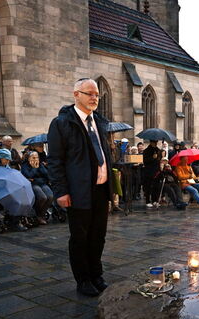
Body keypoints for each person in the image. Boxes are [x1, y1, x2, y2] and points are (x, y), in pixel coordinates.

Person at [47, 78, 114, 297]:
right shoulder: (62, 123)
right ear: (76, 94)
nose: (94, 98)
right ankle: (83, 279)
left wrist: (112, 189)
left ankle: (96, 274)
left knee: (98, 236)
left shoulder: (100, 122)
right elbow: (55, 160)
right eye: (89, 94)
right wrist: (61, 192)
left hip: (100, 189)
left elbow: (105, 156)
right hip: (78, 191)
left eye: (96, 95)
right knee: (80, 237)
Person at [21, 151, 53, 225]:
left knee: (50, 196)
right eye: (33, 157)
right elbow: (29, 175)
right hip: (32, 184)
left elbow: (47, 175)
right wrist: (34, 168)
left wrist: (39, 166)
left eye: (37, 157)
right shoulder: (25, 165)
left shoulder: (40, 164)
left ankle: (42, 215)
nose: (36, 159)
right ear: (29, 158)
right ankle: (38, 215)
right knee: (42, 197)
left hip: (42, 183)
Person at [142, 139, 161, 207]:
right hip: (149, 171)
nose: (155, 144)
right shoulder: (146, 151)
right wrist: (152, 158)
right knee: (148, 187)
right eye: (154, 142)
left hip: (156, 171)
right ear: (151, 142)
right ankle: (147, 201)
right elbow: (145, 161)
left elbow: (159, 159)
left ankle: (155, 200)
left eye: (156, 142)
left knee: (156, 187)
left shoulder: (158, 150)